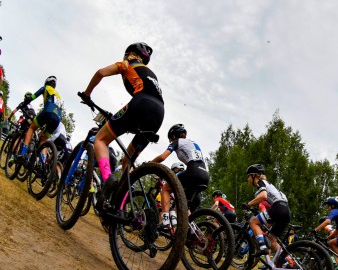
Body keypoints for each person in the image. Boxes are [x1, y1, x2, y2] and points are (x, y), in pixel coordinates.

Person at [80, 43, 163, 211]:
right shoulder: (151, 74)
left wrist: (87, 94)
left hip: (141, 103)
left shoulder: (126, 64)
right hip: (159, 113)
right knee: (127, 161)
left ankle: (108, 178)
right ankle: (121, 204)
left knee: (100, 140)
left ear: (130, 54)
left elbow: (100, 73)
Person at [150, 124, 209, 227]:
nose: (170, 142)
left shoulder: (177, 141)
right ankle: (185, 230)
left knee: (166, 189)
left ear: (173, 136)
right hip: (204, 175)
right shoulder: (193, 143)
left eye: (170, 140)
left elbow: (163, 157)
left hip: (194, 171)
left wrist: (150, 163)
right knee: (180, 204)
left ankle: (165, 221)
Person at [241, 164, 291, 265]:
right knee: (272, 240)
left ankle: (262, 248)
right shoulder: (270, 185)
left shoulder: (260, 182)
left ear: (255, 176)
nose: (248, 179)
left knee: (253, 222)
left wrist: (248, 204)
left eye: (248, 176)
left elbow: (263, 196)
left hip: (278, 208)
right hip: (286, 211)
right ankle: (287, 263)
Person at [15, 76, 63, 164]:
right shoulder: (58, 95)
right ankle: (42, 164)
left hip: (48, 111)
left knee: (32, 128)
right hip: (58, 117)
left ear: (47, 82)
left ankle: (22, 153)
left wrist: (25, 102)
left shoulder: (46, 88)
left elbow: (32, 97)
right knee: (44, 140)